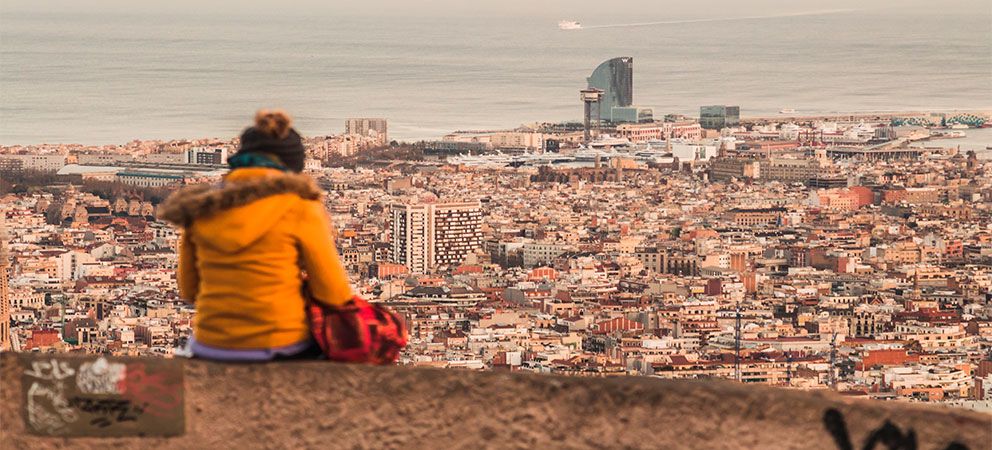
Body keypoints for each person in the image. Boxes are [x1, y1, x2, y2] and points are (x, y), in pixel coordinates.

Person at [158, 109, 352, 361]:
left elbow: (188, 289)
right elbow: (334, 294)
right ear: (293, 169)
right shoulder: (301, 208)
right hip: (281, 341)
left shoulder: (201, 208)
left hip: (211, 344)